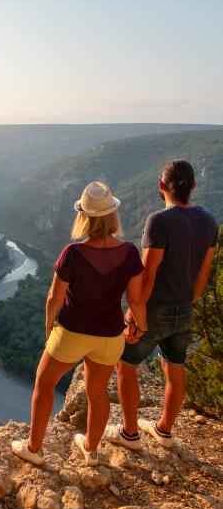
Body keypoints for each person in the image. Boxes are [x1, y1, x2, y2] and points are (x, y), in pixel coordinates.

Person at [11, 181, 146, 466]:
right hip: (110, 336)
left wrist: (49, 325)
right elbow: (135, 300)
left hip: (72, 333)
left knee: (44, 383)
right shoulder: (130, 253)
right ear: (112, 216)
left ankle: (34, 448)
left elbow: (53, 297)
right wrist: (139, 326)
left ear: (83, 217)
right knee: (97, 392)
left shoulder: (73, 253)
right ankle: (91, 449)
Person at [105, 160, 218, 450]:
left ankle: (130, 433)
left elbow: (147, 273)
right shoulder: (208, 220)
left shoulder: (159, 221)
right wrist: (189, 302)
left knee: (126, 364)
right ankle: (164, 430)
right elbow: (205, 270)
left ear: (160, 186)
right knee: (174, 367)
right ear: (193, 186)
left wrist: (135, 313)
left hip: (155, 309)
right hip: (185, 308)